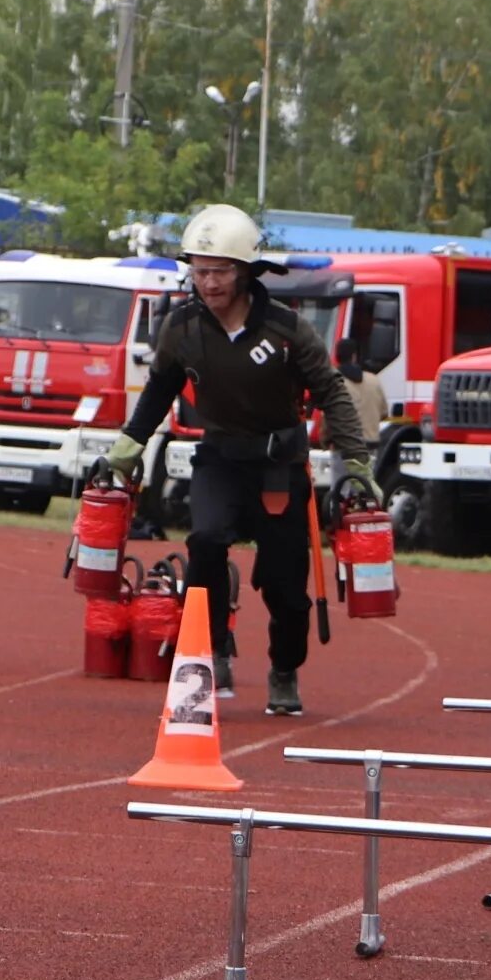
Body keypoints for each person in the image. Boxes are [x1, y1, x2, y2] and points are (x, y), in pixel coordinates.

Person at [108, 204, 377, 716]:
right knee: (205, 540)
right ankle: (215, 652)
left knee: (285, 588)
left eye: (221, 271)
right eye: (200, 270)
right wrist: (127, 448)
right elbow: (160, 389)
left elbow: (332, 393)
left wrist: (357, 465)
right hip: (220, 461)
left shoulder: (287, 330)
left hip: (279, 466)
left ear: (247, 270)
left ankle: (283, 670)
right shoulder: (180, 327)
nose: (208, 282)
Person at [334, 336, 390, 438]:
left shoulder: (335, 383)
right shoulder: (374, 380)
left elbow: (327, 419)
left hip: (345, 445)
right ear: (354, 356)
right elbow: (384, 412)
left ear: (337, 356)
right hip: (371, 444)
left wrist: (325, 441)